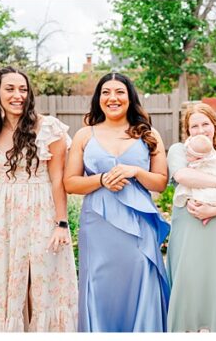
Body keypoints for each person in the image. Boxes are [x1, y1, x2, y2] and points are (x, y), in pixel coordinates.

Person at [0, 66, 78, 331]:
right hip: (2, 215)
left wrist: (61, 223)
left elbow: (57, 179)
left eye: (23, 89)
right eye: (10, 88)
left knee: (41, 282)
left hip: (42, 209)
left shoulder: (48, 128)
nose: (18, 95)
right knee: (8, 283)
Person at [64, 72, 171, 332]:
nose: (113, 98)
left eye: (119, 92)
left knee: (140, 280)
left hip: (138, 224)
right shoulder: (84, 135)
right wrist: (101, 179)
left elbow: (160, 182)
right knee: (100, 286)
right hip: (98, 225)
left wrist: (135, 172)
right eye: (106, 92)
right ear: (98, 99)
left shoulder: (148, 133)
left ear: (129, 97)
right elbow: (70, 183)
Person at [166, 103, 216, 332]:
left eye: (205, 124)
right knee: (187, 288)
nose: (200, 130)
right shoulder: (178, 151)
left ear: (215, 127)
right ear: (187, 130)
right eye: (194, 126)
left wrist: (212, 211)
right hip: (188, 233)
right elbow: (182, 175)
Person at [173, 134, 216, 232]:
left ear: (198, 158)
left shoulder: (195, 163)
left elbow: (190, 174)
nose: (186, 156)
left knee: (199, 199)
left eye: (189, 155)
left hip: (209, 189)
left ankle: (207, 217)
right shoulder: (214, 157)